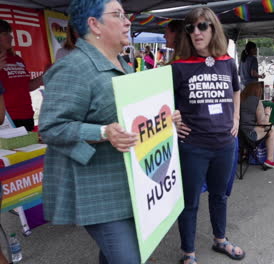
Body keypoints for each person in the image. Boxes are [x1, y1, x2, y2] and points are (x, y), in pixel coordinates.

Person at [39, 1, 182, 262]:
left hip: (128, 185)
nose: (128, 21)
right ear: (94, 24)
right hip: (98, 192)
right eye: (118, 15)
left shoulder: (122, 64)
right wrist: (104, 132)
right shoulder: (73, 67)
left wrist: (162, 118)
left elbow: (130, 117)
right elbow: (50, 128)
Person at [171, 7, 245, 264]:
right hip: (193, 146)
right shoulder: (178, 67)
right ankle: (188, 253)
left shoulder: (227, 61)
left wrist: (235, 118)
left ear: (214, 29)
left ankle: (220, 240)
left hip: (225, 143)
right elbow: (163, 104)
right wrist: (174, 122)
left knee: (219, 196)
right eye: (190, 28)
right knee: (190, 201)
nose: (196, 32)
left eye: (202, 26)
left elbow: (236, 90)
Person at [0, 19, 43, 131]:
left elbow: (27, 86)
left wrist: (46, 75)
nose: (11, 37)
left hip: (27, 115)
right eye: (5, 34)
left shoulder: (17, 59)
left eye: (10, 34)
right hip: (6, 120)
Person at [239, 82, 274, 168]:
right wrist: (267, 113)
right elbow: (263, 123)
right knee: (271, 127)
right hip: (249, 136)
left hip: (237, 135)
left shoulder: (239, 99)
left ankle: (244, 154)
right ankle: (270, 160)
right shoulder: (257, 101)